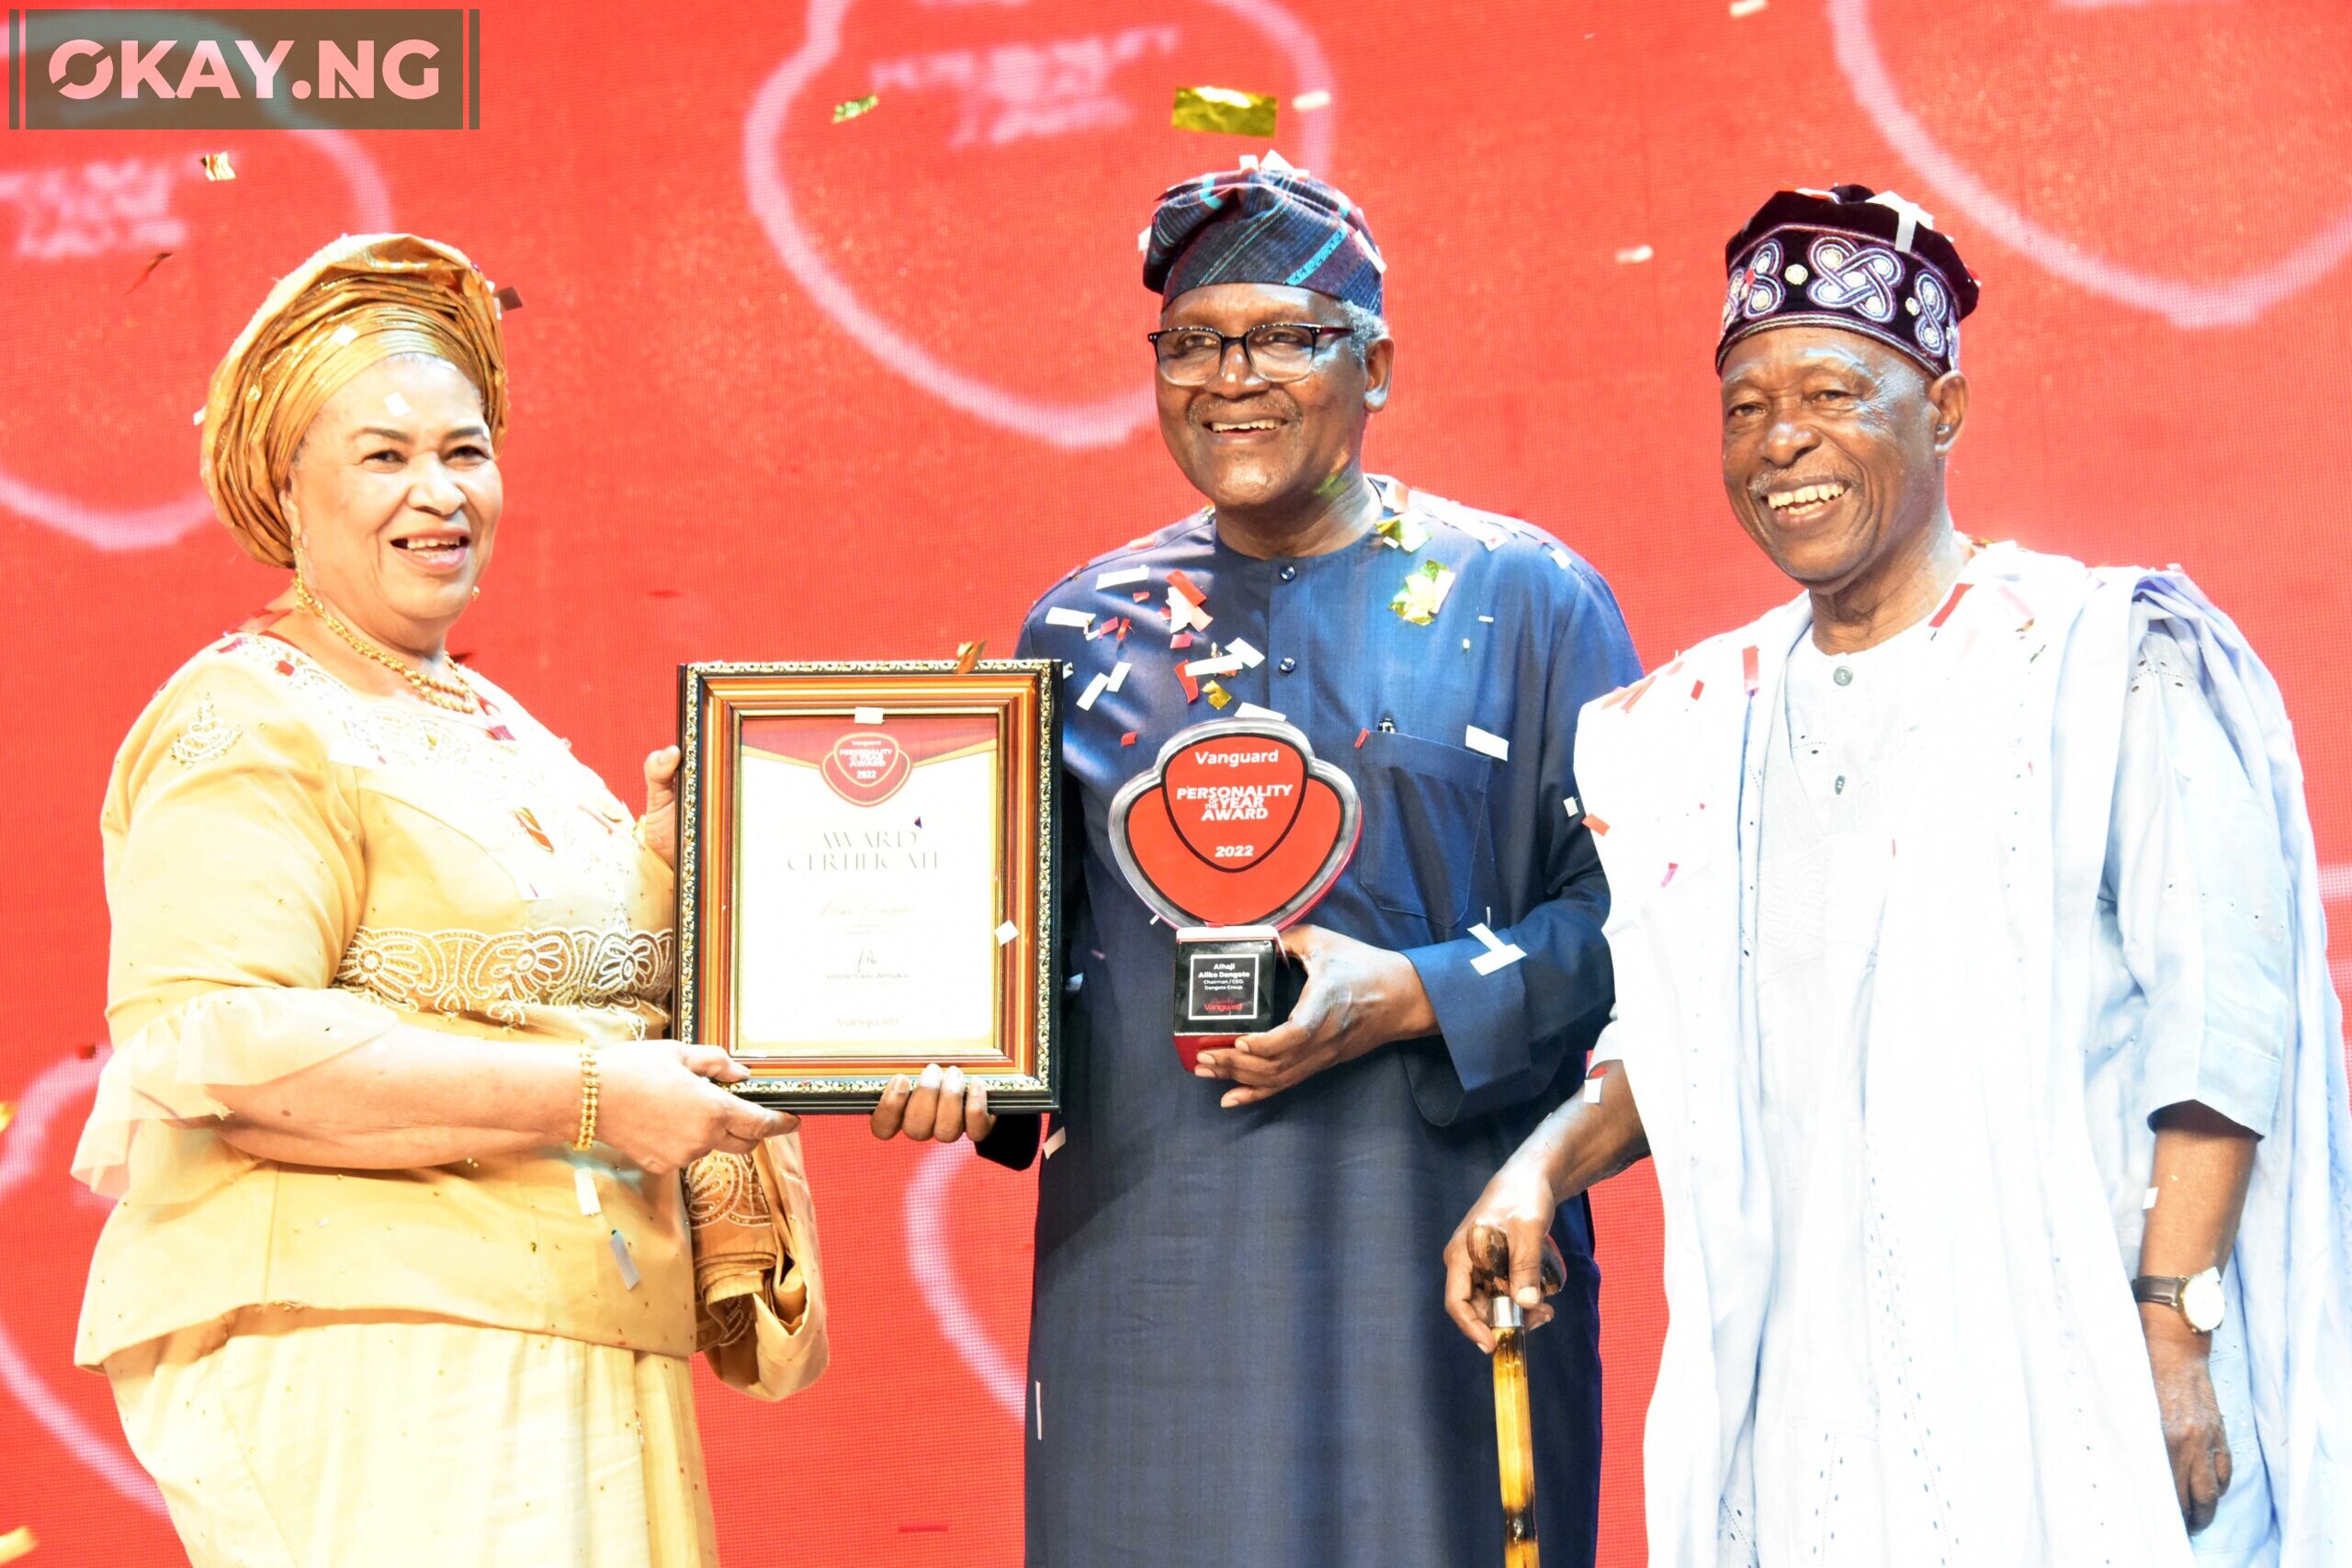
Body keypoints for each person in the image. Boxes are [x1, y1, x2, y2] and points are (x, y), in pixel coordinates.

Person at [1445, 186, 2352, 1567]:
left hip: (2071, 1373)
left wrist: (2176, 1326)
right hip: (1813, 1396)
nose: (1782, 440)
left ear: (1946, 411)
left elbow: (2221, 1020)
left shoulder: (2105, 657)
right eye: (1745, 407)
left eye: (1832, 391)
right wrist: (1540, 1169)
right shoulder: (1696, 722)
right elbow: (1680, 1042)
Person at [870, 152, 1640, 1564]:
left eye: (1286, 335)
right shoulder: (1082, 633)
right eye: (1192, 342)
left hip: (1440, 1268)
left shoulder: (1525, 596)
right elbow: (1024, 980)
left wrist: (1412, 994)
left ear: (1379, 360)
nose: (1233, 376)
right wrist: (946, 1059)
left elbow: (1635, 932)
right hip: (1150, 1288)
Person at [71, 233, 827, 1568]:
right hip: (382, 1355)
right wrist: (595, 1100)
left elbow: (546, 973)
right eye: (384, 454)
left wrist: (669, 863)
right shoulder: (249, 716)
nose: (440, 494)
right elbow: (210, 1039)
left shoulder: (491, 722)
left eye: (465, 450)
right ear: (282, 487)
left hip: (579, 1325)